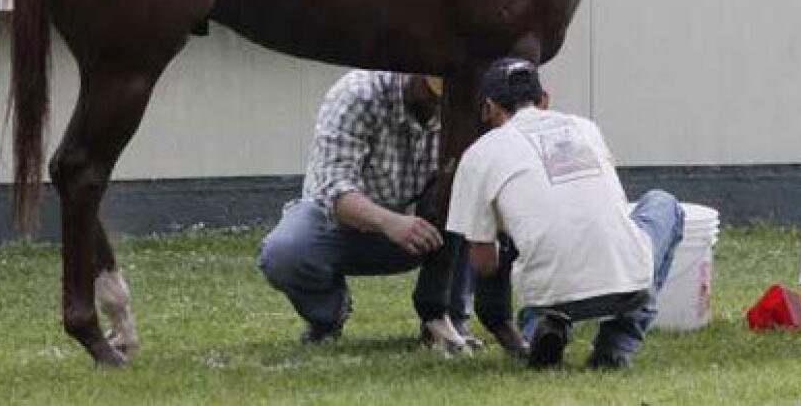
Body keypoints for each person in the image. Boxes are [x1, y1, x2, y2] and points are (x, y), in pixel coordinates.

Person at [258, 69, 524, 356]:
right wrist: (390, 222)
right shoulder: (357, 94)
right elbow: (335, 189)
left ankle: (448, 317)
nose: (443, 107)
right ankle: (328, 316)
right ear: (408, 74)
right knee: (284, 252)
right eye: (434, 96)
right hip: (339, 223)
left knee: (465, 199)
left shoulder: (467, 106)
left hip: (424, 228)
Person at [447, 58, 684, 370]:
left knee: (533, 260)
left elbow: (483, 263)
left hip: (552, 294)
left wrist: (501, 235)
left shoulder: (479, 155)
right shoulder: (585, 128)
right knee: (663, 202)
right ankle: (615, 349)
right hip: (628, 282)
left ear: (489, 107)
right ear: (544, 99)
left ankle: (541, 329)